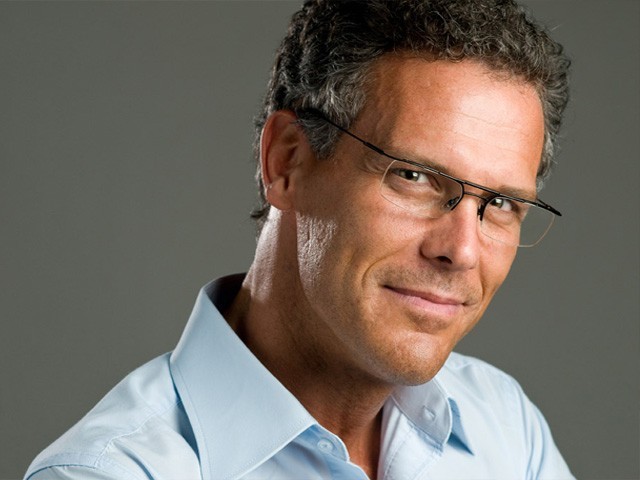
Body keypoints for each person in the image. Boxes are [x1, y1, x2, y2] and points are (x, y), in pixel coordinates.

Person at [25, 0, 574, 478]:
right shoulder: (107, 472)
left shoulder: (507, 429)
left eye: (501, 204)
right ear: (287, 162)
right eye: (413, 176)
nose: (462, 251)